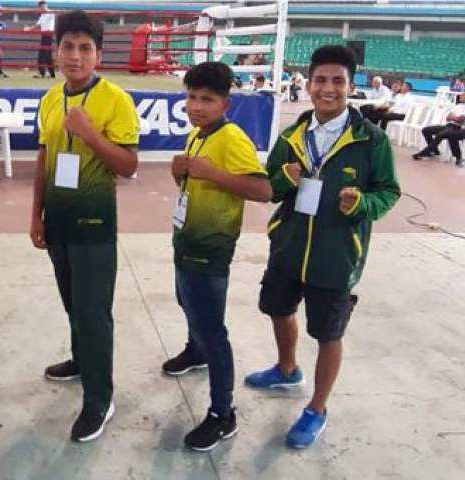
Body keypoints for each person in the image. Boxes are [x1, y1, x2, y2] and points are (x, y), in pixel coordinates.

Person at [244, 45, 400, 449]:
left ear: (350, 86)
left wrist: (363, 204)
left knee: (328, 333)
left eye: (338, 81)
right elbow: (271, 187)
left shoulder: (371, 140)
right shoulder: (292, 135)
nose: (328, 89)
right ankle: (287, 368)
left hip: (336, 256)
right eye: (321, 81)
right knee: (278, 309)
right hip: (289, 246)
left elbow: (389, 191)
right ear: (309, 85)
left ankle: (317, 408)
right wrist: (285, 177)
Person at [31, 10, 139, 442]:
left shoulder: (116, 99)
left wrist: (92, 135)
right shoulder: (50, 98)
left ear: (98, 54)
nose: (75, 56)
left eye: (84, 48)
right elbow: (43, 157)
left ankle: (99, 400)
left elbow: (129, 165)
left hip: (95, 224)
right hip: (58, 221)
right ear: (56, 51)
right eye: (67, 47)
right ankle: (81, 361)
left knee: (94, 314)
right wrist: (35, 213)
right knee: (73, 303)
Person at [165, 62, 272, 452]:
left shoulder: (232, 138)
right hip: (187, 243)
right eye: (192, 97)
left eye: (207, 99)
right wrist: (183, 174)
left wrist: (211, 174)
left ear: (225, 103)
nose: (196, 106)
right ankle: (195, 351)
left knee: (214, 329)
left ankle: (223, 414)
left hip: (211, 250)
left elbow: (263, 190)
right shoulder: (199, 136)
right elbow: (198, 182)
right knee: (187, 304)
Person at [412, 91, 465, 167]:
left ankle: (424, 153)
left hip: (457, 128)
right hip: (448, 125)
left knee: (440, 135)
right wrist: (453, 117)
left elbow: (460, 120)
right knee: (426, 130)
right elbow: (448, 117)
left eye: (463, 96)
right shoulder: (458, 106)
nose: (461, 97)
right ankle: (434, 150)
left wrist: (453, 117)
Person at [24, 0, 56, 79]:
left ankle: (42, 73)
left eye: (44, 6)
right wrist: (29, 28)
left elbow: (52, 15)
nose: (43, 8)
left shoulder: (50, 13)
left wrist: (45, 9)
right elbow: (37, 24)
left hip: (48, 34)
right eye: (41, 6)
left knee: (42, 54)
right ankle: (52, 74)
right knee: (47, 55)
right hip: (44, 35)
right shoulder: (42, 15)